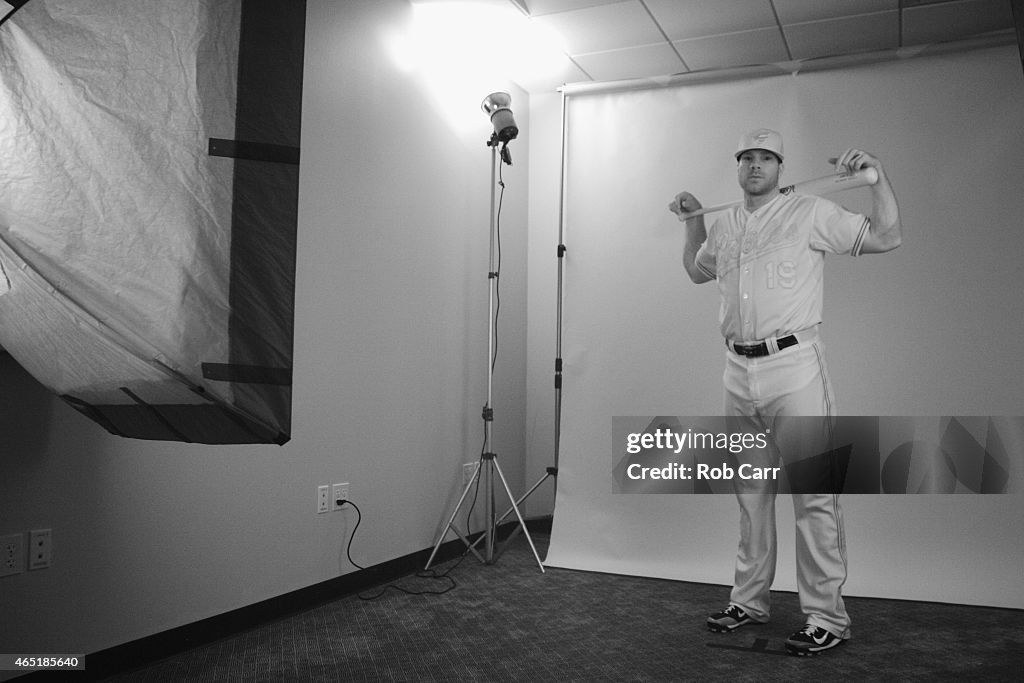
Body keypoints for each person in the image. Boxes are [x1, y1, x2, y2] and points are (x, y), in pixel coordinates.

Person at [668, 128, 901, 656]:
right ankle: (749, 602)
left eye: (765, 158)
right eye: (746, 157)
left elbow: (887, 236)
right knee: (750, 496)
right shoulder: (726, 225)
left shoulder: (809, 212)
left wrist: (877, 179)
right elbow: (695, 271)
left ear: (780, 167)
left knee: (814, 494)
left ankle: (827, 618)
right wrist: (694, 222)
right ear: (738, 167)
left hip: (794, 367)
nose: (755, 165)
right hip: (737, 369)